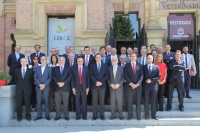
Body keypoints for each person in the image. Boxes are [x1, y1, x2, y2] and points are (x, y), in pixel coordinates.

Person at [124, 53, 143, 120]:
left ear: (136, 57)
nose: (132, 57)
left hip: (138, 87)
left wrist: (137, 84)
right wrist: (131, 84)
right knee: (129, 102)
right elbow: (125, 75)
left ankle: (138, 115)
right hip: (129, 86)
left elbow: (141, 75)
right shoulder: (127, 65)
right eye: (131, 56)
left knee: (138, 101)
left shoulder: (140, 65)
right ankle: (130, 115)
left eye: (134, 56)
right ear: (130, 58)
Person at [90, 53, 108, 120]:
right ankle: (95, 115)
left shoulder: (105, 65)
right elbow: (91, 74)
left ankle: (102, 114)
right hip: (94, 85)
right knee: (94, 101)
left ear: (101, 58)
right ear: (95, 58)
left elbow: (106, 75)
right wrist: (96, 82)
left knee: (102, 101)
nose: (98, 58)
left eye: (99, 57)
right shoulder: (92, 65)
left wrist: (101, 82)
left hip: (102, 85)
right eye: (97, 57)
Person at [34, 56, 52, 121]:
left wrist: (44, 84)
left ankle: (47, 115)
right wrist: (39, 84)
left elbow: (50, 78)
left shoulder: (49, 68)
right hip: (38, 87)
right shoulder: (37, 68)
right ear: (40, 60)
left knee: (47, 101)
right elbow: (35, 77)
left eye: (44, 59)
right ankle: (39, 115)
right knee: (38, 101)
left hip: (46, 87)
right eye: (42, 59)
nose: (43, 60)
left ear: (46, 60)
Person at [143, 55, 160, 120]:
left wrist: (151, 80)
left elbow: (158, 76)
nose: (150, 59)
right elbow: (142, 76)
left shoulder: (156, 67)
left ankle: (154, 115)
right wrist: (146, 80)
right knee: (146, 101)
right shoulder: (143, 67)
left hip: (153, 86)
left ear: (153, 59)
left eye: (151, 58)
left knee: (153, 101)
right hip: (146, 86)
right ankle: (146, 115)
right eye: (148, 58)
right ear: (147, 59)